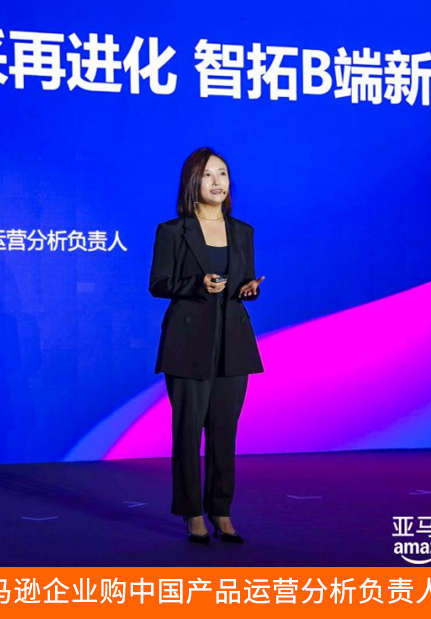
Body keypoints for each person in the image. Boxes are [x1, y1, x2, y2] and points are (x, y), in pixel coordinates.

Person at [148, 146, 266, 544]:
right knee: (187, 432)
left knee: (224, 432)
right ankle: (192, 512)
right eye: (208, 174)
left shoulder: (243, 231)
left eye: (223, 174)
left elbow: (243, 281)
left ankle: (221, 510)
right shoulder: (172, 231)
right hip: (187, 343)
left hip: (233, 343)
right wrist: (197, 285)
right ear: (192, 182)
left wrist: (248, 289)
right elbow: (158, 284)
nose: (218, 182)